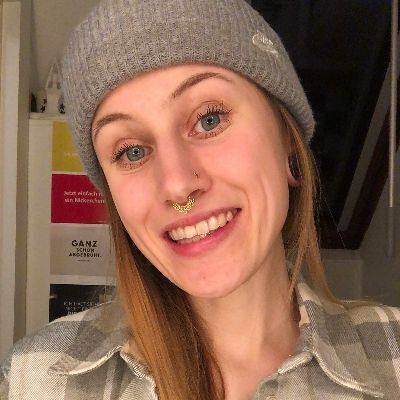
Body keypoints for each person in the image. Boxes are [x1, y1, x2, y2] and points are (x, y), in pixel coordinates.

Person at [1, 0, 400, 399]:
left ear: (287, 143)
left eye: (209, 120)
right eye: (131, 152)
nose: (177, 185)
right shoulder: (32, 380)